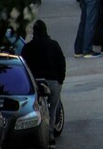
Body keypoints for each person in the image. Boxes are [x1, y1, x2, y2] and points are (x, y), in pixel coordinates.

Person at [21, 20, 66, 149]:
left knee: (35, 110)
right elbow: (61, 63)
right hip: (53, 81)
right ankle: (50, 137)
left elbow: (24, 66)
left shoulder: (28, 47)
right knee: (52, 110)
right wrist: (60, 80)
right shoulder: (53, 45)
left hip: (36, 83)